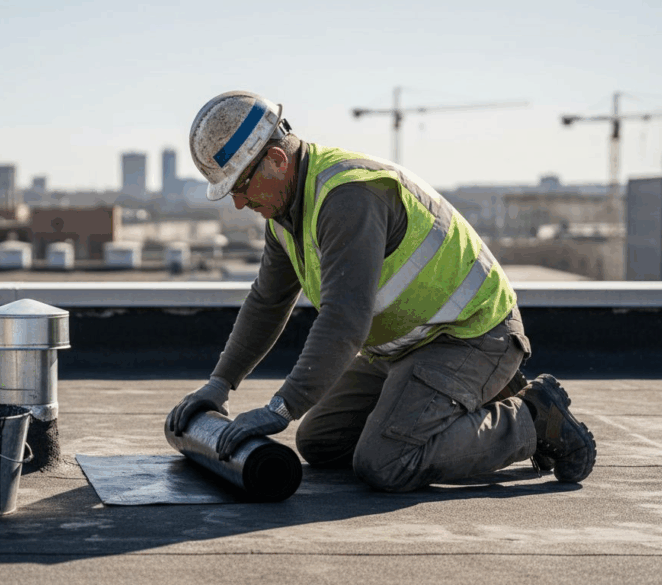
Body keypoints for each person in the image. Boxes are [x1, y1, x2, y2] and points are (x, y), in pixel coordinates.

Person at [166, 91, 596, 491]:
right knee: (320, 443)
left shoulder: (348, 196)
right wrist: (219, 385)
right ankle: (453, 406)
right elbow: (267, 301)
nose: (239, 203)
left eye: (240, 187)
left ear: (277, 159)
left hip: (474, 336)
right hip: (405, 349)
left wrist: (280, 408)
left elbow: (344, 321)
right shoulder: (285, 212)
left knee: (386, 461)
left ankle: (534, 419)